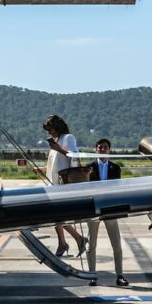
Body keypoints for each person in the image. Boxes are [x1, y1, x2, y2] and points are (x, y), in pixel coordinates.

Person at [35, 114, 87, 257]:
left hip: (63, 185)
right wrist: (41, 169)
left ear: (57, 127)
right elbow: (55, 163)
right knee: (55, 216)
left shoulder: (68, 138)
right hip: (53, 184)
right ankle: (65, 243)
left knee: (57, 216)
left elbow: (74, 157)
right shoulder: (57, 141)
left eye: (50, 129)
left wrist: (59, 149)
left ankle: (74, 240)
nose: (49, 133)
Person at [85, 138, 128, 287]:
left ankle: (120, 275)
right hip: (94, 210)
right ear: (95, 149)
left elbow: (117, 189)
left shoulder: (115, 168)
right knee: (91, 245)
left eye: (105, 147)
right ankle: (92, 275)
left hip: (110, 210)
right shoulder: (88, 167)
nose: (102, 150)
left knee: (116, 244)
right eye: (100, 147)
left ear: (109, 150)